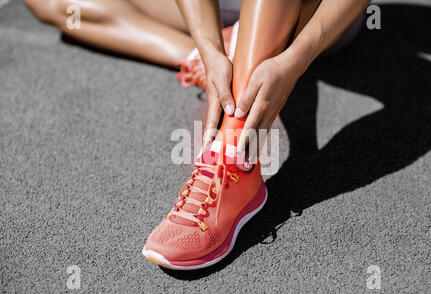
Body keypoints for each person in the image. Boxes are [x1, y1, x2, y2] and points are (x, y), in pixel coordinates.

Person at [27, 0, 370, 270]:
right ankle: (216, 54)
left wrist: (295, 60)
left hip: (313, 13)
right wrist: (208, 51)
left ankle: (236, 156)